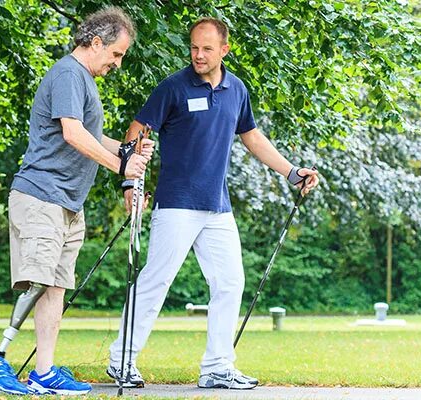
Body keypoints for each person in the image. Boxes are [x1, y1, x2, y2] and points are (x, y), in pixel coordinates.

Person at [105, 18, 321, 390]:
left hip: (217, 207)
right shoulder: (173, 87)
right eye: (193, 47)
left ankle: (218, 367)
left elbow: (252, 137)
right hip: (176, 204)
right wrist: (130, 179)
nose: (198, 55)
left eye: (206, 48)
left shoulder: (236, 89)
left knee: (230, 282)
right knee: (156, 281)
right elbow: (137, 130)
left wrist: (291, 173)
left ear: (224, 49)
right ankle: (121, 361)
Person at [0, 6, 152, 396]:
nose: (117, 63)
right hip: (41, 196)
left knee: (55, 288)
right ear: (96, 42)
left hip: (68, 202)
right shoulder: (69, 73)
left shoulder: (83, 81)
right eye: (116, 54)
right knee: (38, 280)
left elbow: (92, 137)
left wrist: (127, 150)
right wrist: (122, 169)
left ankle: (44, 371)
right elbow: (72, 134)